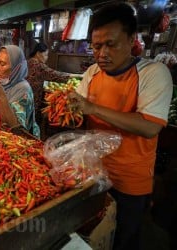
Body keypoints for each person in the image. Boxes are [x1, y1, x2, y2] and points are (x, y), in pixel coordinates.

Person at [68, 3, 173, 250]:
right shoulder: (92, 72)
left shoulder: (153, 73)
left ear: (131, 40)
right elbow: (79, 112)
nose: (102, 53)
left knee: (125, 239)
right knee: (95, 235)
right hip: (92, 173)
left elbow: (149, 126)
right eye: (96, 46)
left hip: (129, 181)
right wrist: (67, 110)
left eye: (111, 44)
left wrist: (92, 109)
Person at [26, 42, 80, 139]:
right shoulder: (39, 66)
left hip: (25, 97)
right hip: (33, 99)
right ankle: (33, 138)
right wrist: (79, 76)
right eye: (45, 54)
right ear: (38, 53)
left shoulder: (28, 62)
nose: (46, 58)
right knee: (32, 121)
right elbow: (55, 75)